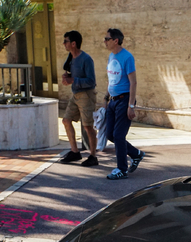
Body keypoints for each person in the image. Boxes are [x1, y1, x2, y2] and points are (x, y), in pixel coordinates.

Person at [102, 28, 144, 180]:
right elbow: (111, 79)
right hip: (113, 100)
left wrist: (131, 106)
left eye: (107, 39)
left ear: (115, 40)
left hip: (124, 100)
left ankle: (122, 169)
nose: (104, 42)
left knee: (119, 135)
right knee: (110, 135)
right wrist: (106, 98)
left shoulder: (127, 57)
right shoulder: (111, 56)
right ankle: (136, 154)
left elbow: (133, 82)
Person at [59, 30, 99, 167]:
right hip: (75, 95)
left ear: (73, 43)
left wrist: (73, 80)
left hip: (86, 95)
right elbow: (72, 75)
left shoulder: (86, 59)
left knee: (87, 126)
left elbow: (91, 81)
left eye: (66, 41)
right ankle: (75, 152)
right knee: (66, 120)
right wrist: (67, 77)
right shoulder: (70, 58)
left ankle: (93, 156)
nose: (64, 44)